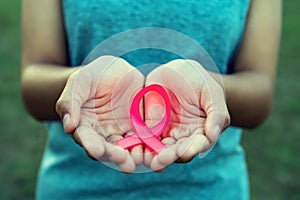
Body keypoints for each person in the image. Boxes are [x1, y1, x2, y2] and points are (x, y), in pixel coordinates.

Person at [21, 0, 281, 199]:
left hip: (210, 189)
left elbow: (259, 95)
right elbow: (34, 82)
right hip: (75, 189)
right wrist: (81, 81)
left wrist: (211, 85)